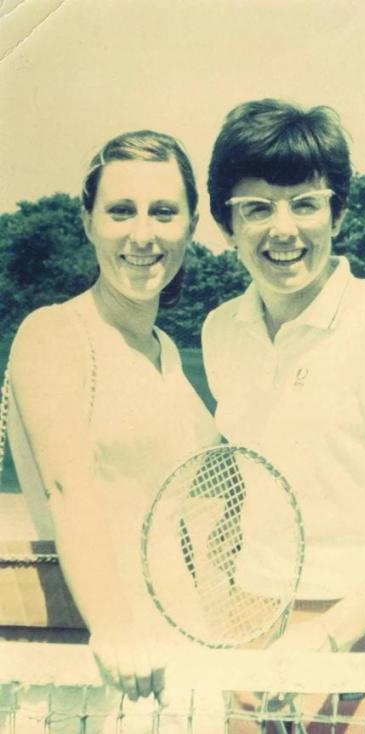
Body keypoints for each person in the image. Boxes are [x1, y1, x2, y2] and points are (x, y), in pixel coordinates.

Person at [201, 99, 365, 730]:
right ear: (227, 225)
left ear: (337, 213)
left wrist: (330, 637)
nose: (282, 229)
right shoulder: (220, 332)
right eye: (256, 208)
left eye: (305, 204)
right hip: (253, 622)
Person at [6, 131, 220, 702]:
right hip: (108, 665)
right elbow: (67, 489)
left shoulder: (167, 353)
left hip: (187, 656)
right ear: (88, 221)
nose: (142, 235)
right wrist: (116, 628)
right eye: (121, 211)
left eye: (164, 213)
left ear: (191, 226)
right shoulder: (54, 333)